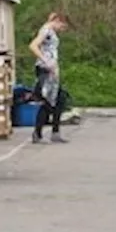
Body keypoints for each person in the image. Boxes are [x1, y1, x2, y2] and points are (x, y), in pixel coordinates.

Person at [28, 12, 70, 144]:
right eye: (62, 26)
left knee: (58, 99)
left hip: (51, 70)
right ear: (57, 21)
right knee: (48, 101)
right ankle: (38, 133)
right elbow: (33, 45)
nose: (61, 30)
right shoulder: (46, 30)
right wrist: (46, 61)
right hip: (46, 70)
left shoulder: (50, 31)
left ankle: (53, 132)